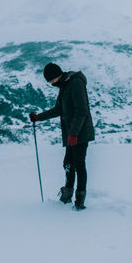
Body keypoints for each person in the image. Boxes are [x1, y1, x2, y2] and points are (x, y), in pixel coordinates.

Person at [29, 63, 95, 210]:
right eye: (49, 81)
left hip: (80, 133)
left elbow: (82, 110)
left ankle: (79, 201)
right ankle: (67, 195)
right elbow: (58, 109)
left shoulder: (75, 83)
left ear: (58, 75)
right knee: (68, 164)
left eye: (51, 80)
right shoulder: (64, 85)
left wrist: (74, 133)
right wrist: (38, 117)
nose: (51, 83)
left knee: (78, 164)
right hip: (71, 133)